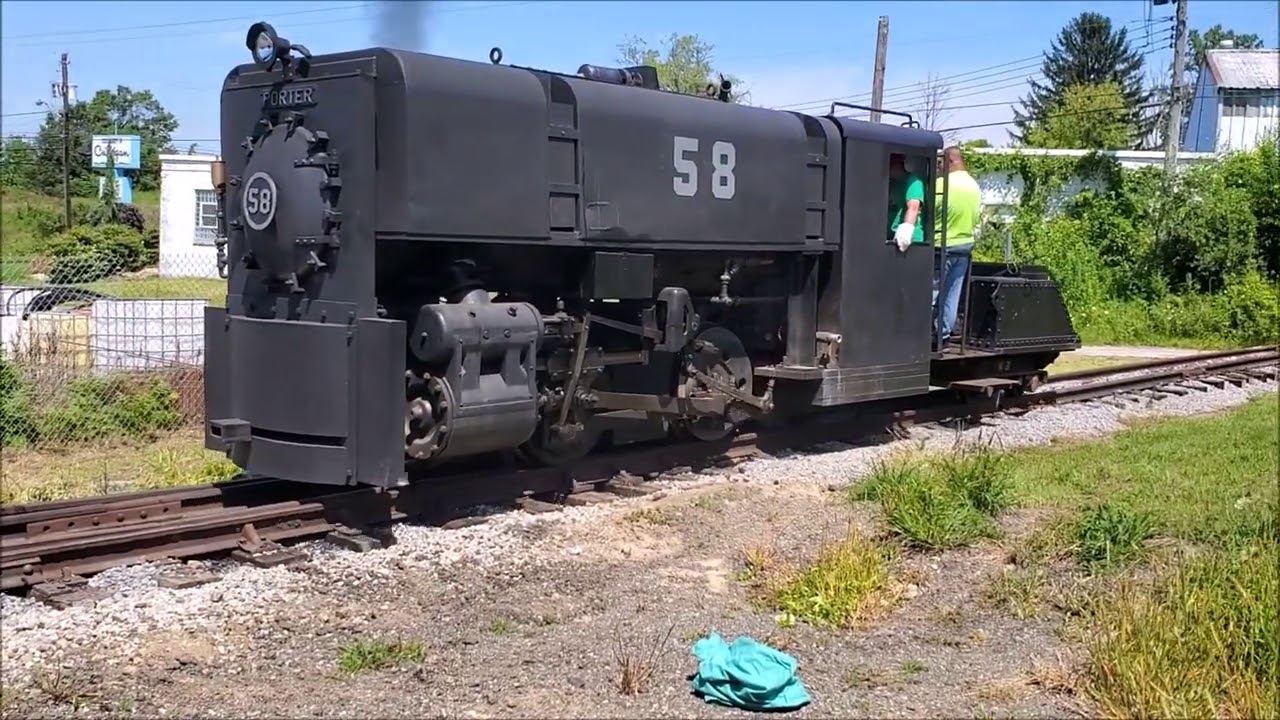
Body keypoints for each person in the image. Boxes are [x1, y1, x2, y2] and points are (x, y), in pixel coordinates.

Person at [931, 146, 983, 347]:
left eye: (940, 163)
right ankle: (943, 336)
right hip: (964, 246)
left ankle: (926, 334)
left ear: (949, 161)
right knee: (952, 294)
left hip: (941, 244)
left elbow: (930, 211)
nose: (938, 167)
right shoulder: (973, 185)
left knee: (932, 293)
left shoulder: (942, 184)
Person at [888, 154, 924, 252]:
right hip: (892, 239)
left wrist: (906, 229)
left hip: (909, 241)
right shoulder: (892, 184)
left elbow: (913, 207)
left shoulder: (913, 182)